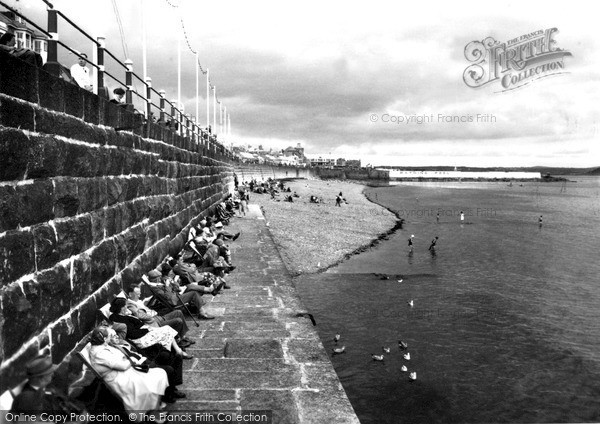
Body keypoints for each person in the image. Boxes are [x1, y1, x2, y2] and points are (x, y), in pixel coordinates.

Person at [88, 327, 169, 415]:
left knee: (158, 374)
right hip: (117, 379)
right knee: (148, 383)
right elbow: (122, 366)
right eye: (108, 336)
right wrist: (132, 360)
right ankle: (152, 411)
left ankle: (154, 407)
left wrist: (127, 360)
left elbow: (120, 361)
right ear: (104, 339)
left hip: (124, 373)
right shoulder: (100, 353)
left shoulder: (102, 347)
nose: (110, 338)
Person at [109, 298, 192, 358]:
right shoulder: (117, 318)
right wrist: (147, 329)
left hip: (143, 333)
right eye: (126, 306)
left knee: (166, 330)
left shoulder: (124, 315)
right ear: (121, 307)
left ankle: (175, 352)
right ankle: (176, 352)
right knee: (166, 330)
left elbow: (138, 323)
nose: (127, 308)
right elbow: (132, 333)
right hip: (139, 339)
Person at [125, 285, 193, 345]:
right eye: (137, 294)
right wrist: (149, 314)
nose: (139, 295)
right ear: (130, 294)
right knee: (178, 321)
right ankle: (178, 340)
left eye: (139, 293)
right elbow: (138, 315)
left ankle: (182, 336)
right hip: (153, 322)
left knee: (178, 312)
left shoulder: (137, 301)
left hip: (156, 317)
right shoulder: (130, 304)